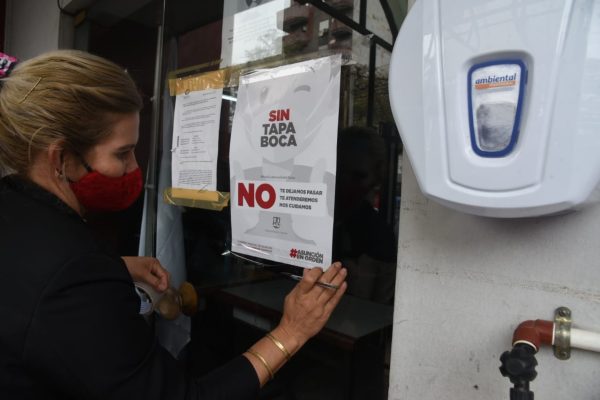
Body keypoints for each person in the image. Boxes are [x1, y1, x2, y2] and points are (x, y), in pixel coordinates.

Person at [0, 50, 347, 399]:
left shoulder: (16, 210)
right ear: (61, 159)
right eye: (122, 153)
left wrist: (115, 267)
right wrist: (291, 332)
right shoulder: (74, 275)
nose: (134, 168)